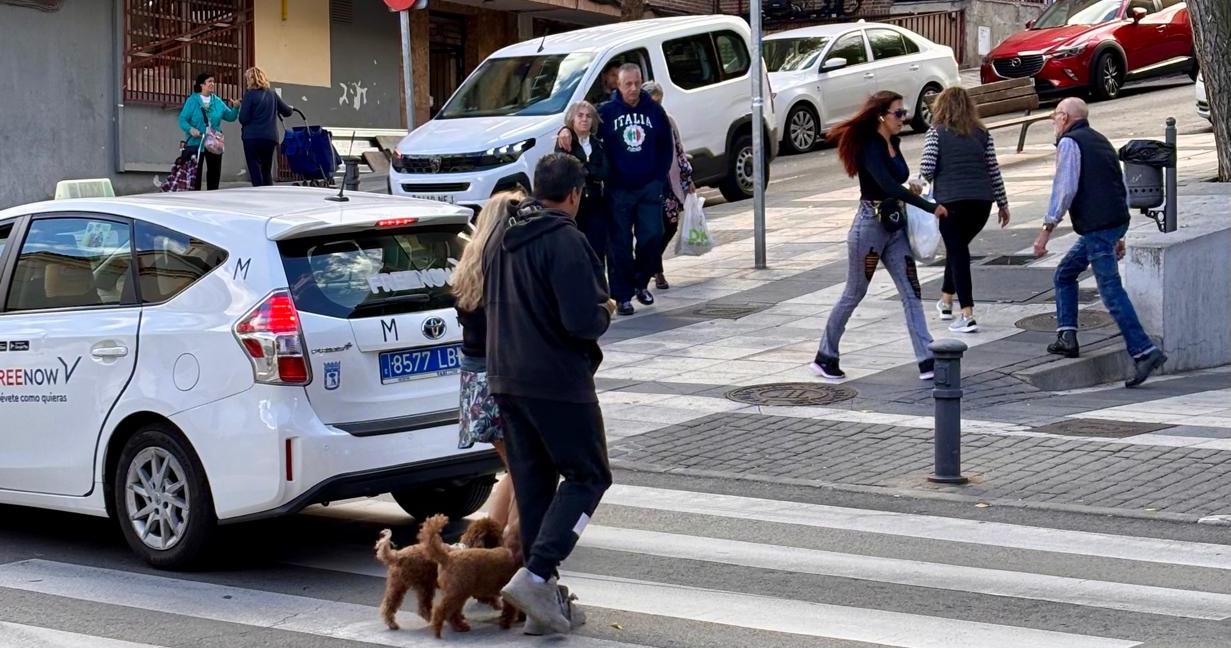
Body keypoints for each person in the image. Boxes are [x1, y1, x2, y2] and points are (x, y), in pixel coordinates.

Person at [487, 153, 615, 634]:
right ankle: (539, 574)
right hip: (556, 381)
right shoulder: (565, 240)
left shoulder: (504, 237)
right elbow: (581, 320)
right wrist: (605, 309)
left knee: (535, 484)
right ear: (576, 194)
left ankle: (544, 602)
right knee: (588, 477)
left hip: (505, 376)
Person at [812, 91, 948, 382]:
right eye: (898, 113)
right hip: (870, 228)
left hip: (894, 225)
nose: (904, 118)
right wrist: (929, 206)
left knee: (912, 291)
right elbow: (886, 184)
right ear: (881, 116)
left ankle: (926, 360)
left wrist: (912, 191)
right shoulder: (870, 145)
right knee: (854, 292)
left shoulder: (893, 142)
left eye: (904, 112)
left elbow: (895, 184)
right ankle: (825, 356)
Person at [1032, 97, 1166, 388]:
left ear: (1065, 118)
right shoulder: (1100, 140)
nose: (1054, 122)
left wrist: (1046, 230)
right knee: (1065, 273)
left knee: (1111, 292)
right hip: (1111, 223)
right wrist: (1120, 232)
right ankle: (1067, 336)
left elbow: (1064, 190)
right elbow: (1120, 185)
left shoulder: (1070, 143)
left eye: (1055, 116)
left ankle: (1144, 351)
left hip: (1097, 228)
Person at [451, 190, 526, 530]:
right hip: (497, 377)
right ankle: (512, 543)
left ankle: (488, 540)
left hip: (474, 380)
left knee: (518, 466)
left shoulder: (469, 264)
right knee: (526, 467)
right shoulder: (502, 263)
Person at [917, 86, 1010, 334]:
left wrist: (913, 193)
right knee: (957, 250)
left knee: (958, 253)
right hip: (981, 204)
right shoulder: (981, 133)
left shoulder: (936, 133)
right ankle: (946, 301)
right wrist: (1002, 203)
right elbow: (993, 170)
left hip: (950, 205)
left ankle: (967, 314)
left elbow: (926, 169)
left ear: (940, 107)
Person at [597, 64, 674, 316]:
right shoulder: (607, 112)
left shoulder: (653, 110)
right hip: (619, 189)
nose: (633, 88)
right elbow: (583, 127)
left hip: (648, 187)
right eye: (627, 84)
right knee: (619, 245)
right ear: (618, 85)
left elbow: (666, 144)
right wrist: (565, 130)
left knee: (653, 235)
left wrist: (658, 177)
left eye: (636, 83)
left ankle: (641, 283)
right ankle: (622, 296)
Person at [642, 80, 694, 291]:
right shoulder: (640, 123)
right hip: (647, 184)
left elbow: (679, 151)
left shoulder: (668, 121)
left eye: (659, 101)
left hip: (668, 182)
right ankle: (657, 270)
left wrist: (688, 180)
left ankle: (653, 263)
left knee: (670, 225)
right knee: (654, 229)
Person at [555, 101, 609, 265]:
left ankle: (599, 287)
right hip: (573, 205)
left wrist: (583, 167)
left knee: (597, 250)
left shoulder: (598, 144)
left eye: (588, 116)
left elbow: (604, 172)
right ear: (572, 119)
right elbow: (566, 170)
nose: (584, 119)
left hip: (596, 203)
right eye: (580, 115)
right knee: (575, 251)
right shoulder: (565, 142)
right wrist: (589, 170)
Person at [177, 71, 239, 191]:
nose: (212, 84)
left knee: (214, 174)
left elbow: (230, 117)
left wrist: (235, 107)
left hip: (214, 143)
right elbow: (182, 120)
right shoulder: (192, 100)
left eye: (213, 82)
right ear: (202, 85)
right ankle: (195, 200)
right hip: (196, 143)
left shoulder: (217, 101)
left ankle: (212, 198)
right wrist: (190, 129)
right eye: (209, 81)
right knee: (195, 176)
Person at [238, 66, 294, 187]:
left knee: (255, 170)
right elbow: (287, 112)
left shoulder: (249, 95)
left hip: (252, 138)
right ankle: (268, 195)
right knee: (266, 170)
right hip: (270, 138)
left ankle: (258, 195)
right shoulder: (272, 94)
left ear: (252, 79)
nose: (246, 82)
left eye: (247, 79)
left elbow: (243, 119)